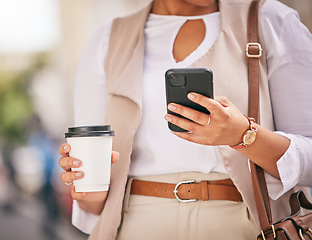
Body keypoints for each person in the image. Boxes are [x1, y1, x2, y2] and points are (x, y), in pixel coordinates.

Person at [58, 0, 312, 239]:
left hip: (247, 225)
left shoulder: (270, 19)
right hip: (137, 224)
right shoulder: (107, 39)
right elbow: (93, 198)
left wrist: (244, 136)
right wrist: (87, 186)